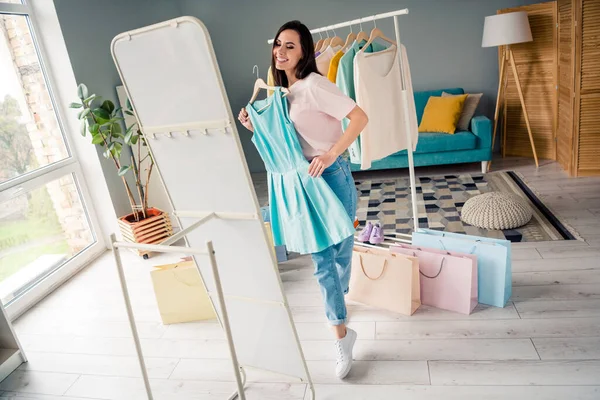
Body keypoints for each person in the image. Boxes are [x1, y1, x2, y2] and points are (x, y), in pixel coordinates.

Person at [238, 20, 368, 379]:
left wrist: (330, 155)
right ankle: (341, 338)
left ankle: (339, 306)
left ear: (304, 51)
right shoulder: (280, 94)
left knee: (342, 254)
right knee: (323, 263)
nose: (280, 51)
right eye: (278, 44)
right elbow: (284, 139)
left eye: (290, 46)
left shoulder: (314, 86)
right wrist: (254, 125)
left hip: (331, 176)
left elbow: (359, 118)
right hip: (301, 183)